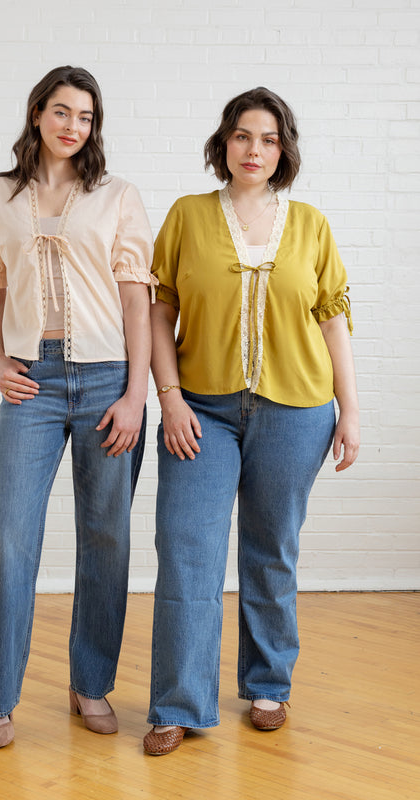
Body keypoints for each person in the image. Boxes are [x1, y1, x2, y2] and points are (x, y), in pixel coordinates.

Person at [142, 87, 360, 756]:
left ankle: (268, 684)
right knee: (186, 550)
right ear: (223, 143)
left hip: (296, 411)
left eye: (266, 139)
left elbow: (332, 317)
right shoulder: (185, 215)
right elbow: (158, 311)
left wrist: (349, 409)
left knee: (271, 550)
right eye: (241, 136)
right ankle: (179, 703)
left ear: (283, 149)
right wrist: (169, 396)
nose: (253, 150)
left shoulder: (312, 225)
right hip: (200, 411)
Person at [0, 66, 155, 748]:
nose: (73, 125)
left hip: (109, 380)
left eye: (85, 115)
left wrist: (136, 392)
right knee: (8, 539)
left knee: (106, 539)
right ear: (37, 114)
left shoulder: (116, 195)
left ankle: (91, 683)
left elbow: (137, 298)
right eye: (61, 111)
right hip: (33, 382)